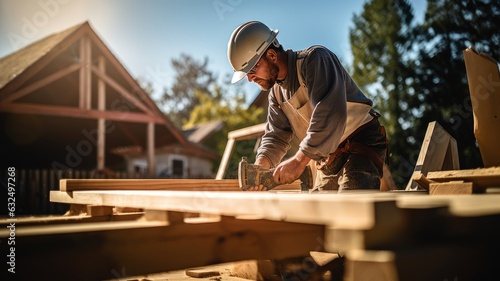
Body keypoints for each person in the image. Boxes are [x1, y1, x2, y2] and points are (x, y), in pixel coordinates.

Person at [227, 21, 388, 192]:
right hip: (330, 155)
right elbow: (276, 137)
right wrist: (260, 169)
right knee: (321, 207)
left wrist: (298, 161)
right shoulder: (276, 94)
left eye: (252, 70)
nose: (250, 79)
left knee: (351, 203)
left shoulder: (316, 60)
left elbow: (330, 115)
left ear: (272, 55)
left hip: (361, 140)